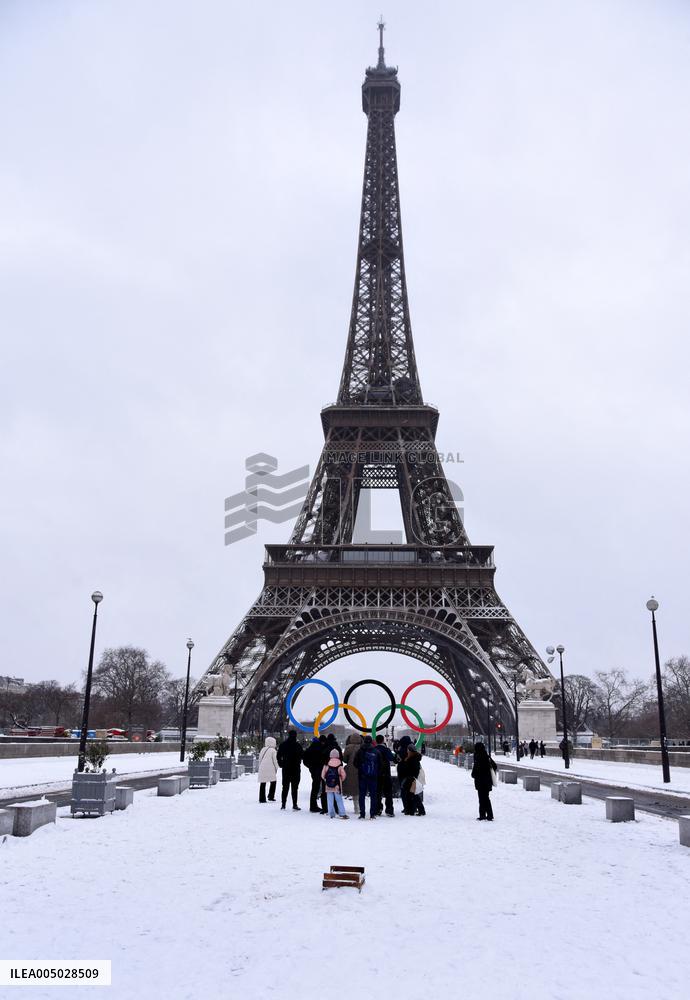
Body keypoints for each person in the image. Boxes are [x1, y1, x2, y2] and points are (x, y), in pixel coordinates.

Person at [354, 735, 381, 819]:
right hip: (373, 776)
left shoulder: (359, 751)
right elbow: (380, 764)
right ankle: (372, 814)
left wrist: (361, 768)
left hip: (362, 776)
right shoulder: (376, 751)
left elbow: (355, 763)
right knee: (373, 795)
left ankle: (362, 814)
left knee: (362, 795)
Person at [277, 730, 303, 810]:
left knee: (285, 787)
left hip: (286, 768)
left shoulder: (283, 745)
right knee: (295, 788)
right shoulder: (298, 745)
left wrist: (281, 764)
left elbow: (278, 755)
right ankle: (294, 804)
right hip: (295, 769)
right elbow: (302, 756)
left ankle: (283, 804)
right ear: (295, 736)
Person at [471, 741, 497, 821]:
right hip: (487, 781)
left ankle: (483, 815)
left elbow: (475, 771)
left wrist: (474, 775)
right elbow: (495, 766)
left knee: (482, 799)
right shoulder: (486, 756)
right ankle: (489, 815)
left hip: (480, 781)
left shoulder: (477, 756)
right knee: (486, 798)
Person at [321, 748, 349, 820]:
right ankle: (342, 813)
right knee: (339, 800)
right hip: (337, 786)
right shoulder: (340, 765)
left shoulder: (326, 764)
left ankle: (331, 814)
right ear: (338, 756)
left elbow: (322, 775)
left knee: (330, 800)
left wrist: (326, 780)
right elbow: (344, 775)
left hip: (328, 785)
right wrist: (340, 780)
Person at [398, 743, 425, 815]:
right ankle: (412, 810)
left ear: (410, 751)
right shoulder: (414, 758)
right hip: (411, 778)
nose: (407, 751)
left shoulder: (412, 759)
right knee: (411, 794)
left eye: (408, 750)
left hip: (410, 778)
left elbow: (408, 769)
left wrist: (404, 762)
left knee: (413, 795)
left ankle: (421, 810)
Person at [303, 736, 327, 813]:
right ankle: (325, 806)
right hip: (321, 770)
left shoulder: (310, 748)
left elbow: (305, 760)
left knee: (314, 788)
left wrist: (310, 767)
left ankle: (313, 806)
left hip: (314, 770)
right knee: (323, 788)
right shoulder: (322, 748)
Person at [375, 735, 395, 817]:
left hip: (377, 774)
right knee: (388, 793)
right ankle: (389, 810)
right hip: (386, 773)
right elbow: (391, 758)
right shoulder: (386, 750)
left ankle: (378, 809)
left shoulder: (374, 750)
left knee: (377, 793)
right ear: (383, 740)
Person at [342, 733, 362, 812]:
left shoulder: (348, 747)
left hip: (351, 769)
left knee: (354, 789)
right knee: (359, 788)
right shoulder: (362, 747)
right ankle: (360, 807)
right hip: (360, 769)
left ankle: (356, 806)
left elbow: (345, 760)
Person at [257, 735, 278, 803]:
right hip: (271, 769)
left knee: (263, 783)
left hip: (262, 768)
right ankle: (271, 796)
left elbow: (260, 759)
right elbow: (275, 760)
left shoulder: (263, 749)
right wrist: (276, 768)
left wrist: (260, 766)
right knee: (273, 782)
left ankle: (262, 798)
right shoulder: (273, 750)